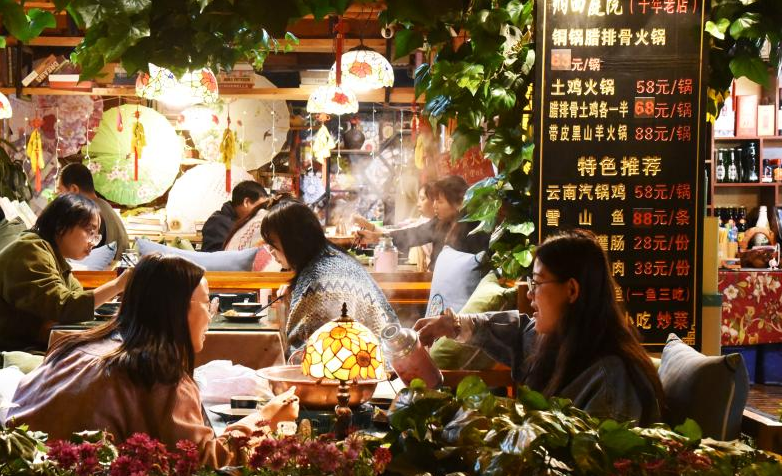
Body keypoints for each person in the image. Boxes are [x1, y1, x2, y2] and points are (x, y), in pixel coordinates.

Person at [7, 254, 300, 466]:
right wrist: (265, 419)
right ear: (178, 309)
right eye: (207, 302)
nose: (211, 315)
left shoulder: (74, 347)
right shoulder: (158, 374)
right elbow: (202, 463)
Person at [413, 229, 664, 425]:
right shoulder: (558, 339)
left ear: (572, 290)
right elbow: (516, 330)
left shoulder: (610, 381)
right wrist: (454, 325)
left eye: (537, 283)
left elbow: (596, 470)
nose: (530, 294)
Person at [0, 193, 131, 356]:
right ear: (61, 226)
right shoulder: (30, 250)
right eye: (90, 232)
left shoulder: (56, 259)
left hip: (14, 348)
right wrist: (118, 285)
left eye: (96, 235)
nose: (93, 241)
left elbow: (76, 305)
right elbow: (65, 307)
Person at [261, 201, 398, 352]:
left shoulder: (319, 281)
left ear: (293, 240)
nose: (271, 251)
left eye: (273, 244)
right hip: (379, 357)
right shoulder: (332, 258)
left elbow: (309, 354)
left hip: (366, 362)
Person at [355, 176, 488, 270]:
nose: (434, 206)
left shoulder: (475, 229)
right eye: (434, 200)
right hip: (435, 283)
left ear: (459, 203)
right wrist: (376, 238)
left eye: (440, 202)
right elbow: (412, 235)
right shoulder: (440, 223)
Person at [57, 162, 130, 261]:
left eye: (60, 192)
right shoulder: (104, 205)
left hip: (105, 270)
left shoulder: (89, 213)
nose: (59, 198)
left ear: (74, 189)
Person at [201, 180, 268, 252]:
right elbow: (219, 256)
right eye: (261, 207)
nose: (263, 212)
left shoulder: (243, 221)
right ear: (246, 202)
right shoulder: (217, 223)